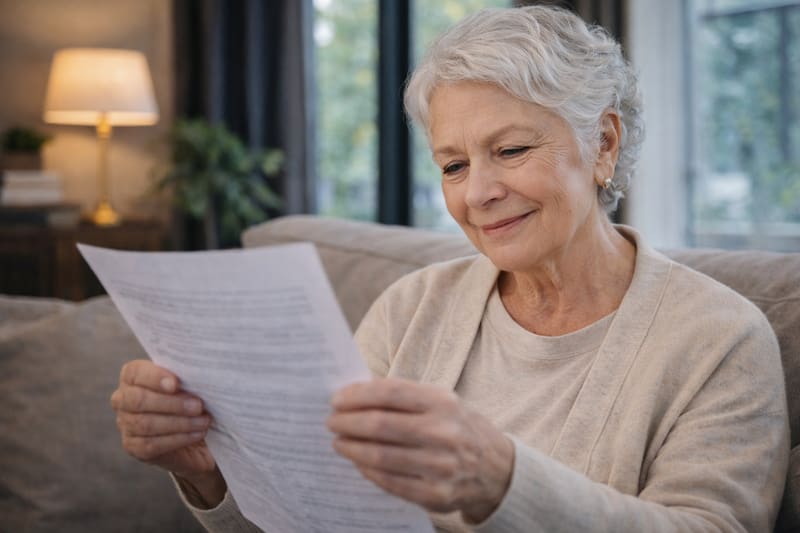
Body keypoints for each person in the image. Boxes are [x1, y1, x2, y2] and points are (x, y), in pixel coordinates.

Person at [110, 5, 789, 532]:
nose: (478, 193)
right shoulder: (411, 307)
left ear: (603, 143)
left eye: (511, 150)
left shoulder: (718, 337)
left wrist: (503, 479)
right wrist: (208, 473)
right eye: (454, 165)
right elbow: (323, 515)